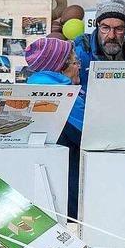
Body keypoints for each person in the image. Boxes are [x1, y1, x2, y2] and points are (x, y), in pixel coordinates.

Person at [25, 37, 83, 219]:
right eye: (75, 62)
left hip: (43, 185)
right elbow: (91, 135)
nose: (79, 67)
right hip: (71, 185)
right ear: (59, 68)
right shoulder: (66, 98)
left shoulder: (33, 88)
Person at [74, 0, 125, 96]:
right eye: (105, 28)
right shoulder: (77, 55)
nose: (111, 36)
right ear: (97, 25)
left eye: (119, 29)